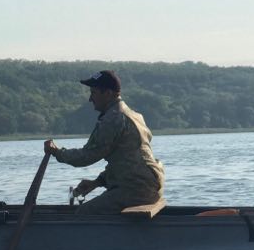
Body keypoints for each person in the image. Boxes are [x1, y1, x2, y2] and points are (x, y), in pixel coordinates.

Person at [44, 70, 164, 215]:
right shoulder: (133, 115)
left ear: (107, 93)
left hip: (135, 190)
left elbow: (87, 156)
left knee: (83, 215)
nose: (90, 99)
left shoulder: (113, 119)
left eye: (93, 93)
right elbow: (128, 162)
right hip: (147, 185)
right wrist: (97, 182)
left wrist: (57, 152)